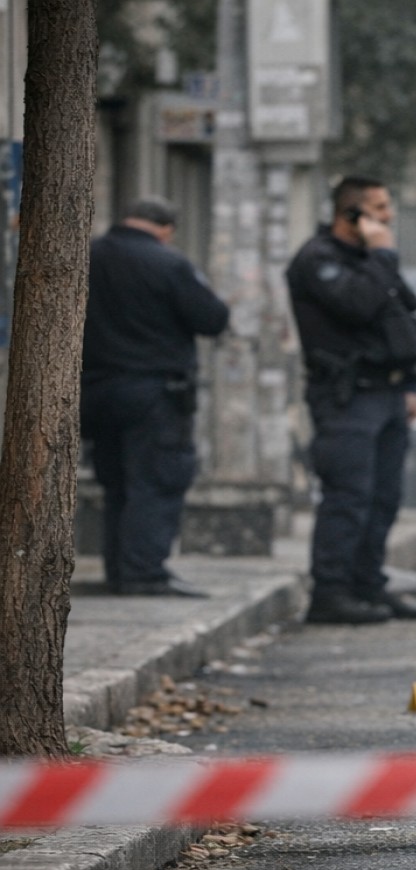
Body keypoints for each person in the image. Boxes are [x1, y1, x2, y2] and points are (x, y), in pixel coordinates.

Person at [287, 175, 416, 626]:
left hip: (388, 393)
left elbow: (400, 314)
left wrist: (410, 385)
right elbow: (358, 306)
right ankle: (330, 594)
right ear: (351, 214)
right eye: (380, 208)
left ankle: (368, 586)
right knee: (348, 497)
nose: (389, 216)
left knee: (384, 497)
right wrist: (384, 254)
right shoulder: (317, 260)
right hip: (346, 397)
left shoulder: (370, 260)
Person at [80, 196, 229, 597]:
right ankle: (143, 572)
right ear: (166, 230)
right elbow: (213, 318)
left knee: (117, 484)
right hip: (154, 393)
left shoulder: (87, 255)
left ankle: (120, 569)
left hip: (95, 391)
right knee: (156, 480)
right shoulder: (169, 263)